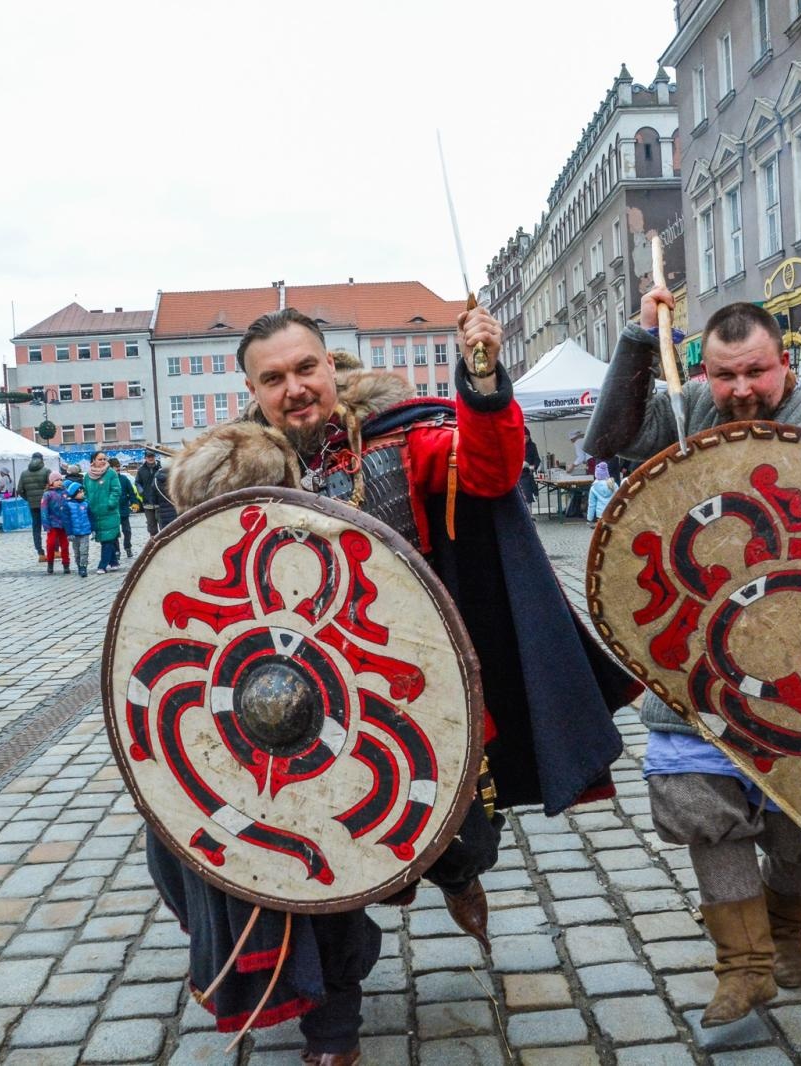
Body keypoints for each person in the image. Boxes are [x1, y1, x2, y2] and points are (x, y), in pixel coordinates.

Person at [155, 305, 636, 1065]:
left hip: (409, 693)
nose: (296, 389)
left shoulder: (400, 439)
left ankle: (460, 875)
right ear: (252, 389)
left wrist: (481, 382)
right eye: (274, 378)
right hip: (292, 707)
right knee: (310, 855)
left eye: (305, 368)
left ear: (330, 366)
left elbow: (489, 470)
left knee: (457, 841)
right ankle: (332, 1030)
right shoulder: (236, 472)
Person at [585, 287, 801, 1026]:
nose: (742, 390)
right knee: (699, 802)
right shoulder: (685, 414)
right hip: (695, 657)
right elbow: (611, 434)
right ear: (703, 373)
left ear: (784, 363)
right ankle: (742, 967)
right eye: (725, 376)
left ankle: (783, 934)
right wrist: (634, 339)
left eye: (755, 373)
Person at [83, 451, 123, 575]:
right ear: (93, 460)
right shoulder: (87, 476)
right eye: (100, 459)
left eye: (104, 459)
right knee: (104, 538)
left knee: (108, 539)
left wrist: (110, 503)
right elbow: (85, 491)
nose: (103, 461)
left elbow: (116, 490)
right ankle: (114, 562)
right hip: (95, 512)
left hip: (109, 512)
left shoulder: (111, 473)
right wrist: (87, 503)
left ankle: (102, 565)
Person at [16, 452, 50, 561]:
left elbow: (19, 490)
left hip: (33, 505)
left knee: (36, 528)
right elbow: (52, 486)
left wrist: (28, 498)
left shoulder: (24, 473)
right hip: (46, 504)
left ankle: (40, 553)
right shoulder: (46, 471)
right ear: (42, 459)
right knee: (51, 526)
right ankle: (55, 550)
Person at [40, 471, 72, 575]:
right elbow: (44, 509)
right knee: (51, 544)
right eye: (56, 480)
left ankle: (66, 564)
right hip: (52, 523)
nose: (59, 482)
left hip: (64, 523)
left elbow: (69, 506)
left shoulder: (65, 493)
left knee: (65, 545)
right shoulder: (47, 494)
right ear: (51, 482)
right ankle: (50, 563)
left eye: (60, 480)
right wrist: (46, 523)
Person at [63, 467, 93, 577]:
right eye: (80, 492)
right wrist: (69, 533)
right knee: (77, 552)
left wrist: (92, 529)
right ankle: (79, 565)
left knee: (84, 550)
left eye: (83, 492)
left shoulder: (86, 504)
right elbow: (66, 521)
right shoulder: (68, 505)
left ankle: (84, 566)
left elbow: (91, 517)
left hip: (85, 532)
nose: (82, 494)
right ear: (74, 493)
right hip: (74, 533)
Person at [110, 456, 138, 558]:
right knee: (115, 533)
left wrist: (134, 503)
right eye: (114, 467)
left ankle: (128, 547)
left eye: (118, 466)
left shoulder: (124, 479)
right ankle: (116, 551)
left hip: (124, 510)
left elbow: (132, 493)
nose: (117, 468)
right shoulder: (108, 480)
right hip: (113, 511)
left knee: (127, 531)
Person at [136, 450, 162, 538]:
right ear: (145, 458)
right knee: (151, 525)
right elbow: (137, 482)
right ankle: (154, 541)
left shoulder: (160, 468)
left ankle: (163, 540)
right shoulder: (141, 470)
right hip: (147, 502)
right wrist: (141, 491)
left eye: (152, 456)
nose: (151, 458)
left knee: (163, 524)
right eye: (148, 457)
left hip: (160, 501)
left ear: (155, 457)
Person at [586, 460, 617, 527]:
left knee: (601, 533)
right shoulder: (614, 484)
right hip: (613, 512)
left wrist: (589, 519)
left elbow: (592, 505)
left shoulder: (594, 487)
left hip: (600, 514)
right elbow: (619, 498)